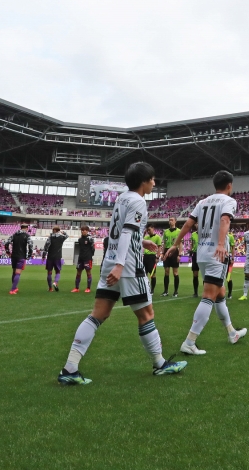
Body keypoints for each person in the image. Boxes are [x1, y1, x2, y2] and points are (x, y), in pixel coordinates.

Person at [57, 162, 187, 385]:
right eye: (153, 179)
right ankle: (159, 364)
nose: (154, 183)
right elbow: (127, 231)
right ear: (144, 181)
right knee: (146, 314)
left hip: (111, 260)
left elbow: (121, 231)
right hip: (127, 265)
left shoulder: (121, 198)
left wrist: (141, 241)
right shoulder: (138, 201)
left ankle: (69, 368)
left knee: (98, 314)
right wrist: (121, 264)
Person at [175, 170, 247, 355]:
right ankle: (190, 341)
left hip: (202, 254)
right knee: (209, 296)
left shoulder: (202, 202)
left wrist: (176, 243)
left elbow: (188, 224)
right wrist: (222, 244)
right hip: (217, 254)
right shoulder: (229, 201)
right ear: (229, 185)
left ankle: (232, 333)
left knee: (220, 293)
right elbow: (224, 219)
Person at [5, 222, 32, 294]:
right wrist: (29, 255)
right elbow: (30, 245)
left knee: (14, 272)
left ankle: (14, 287)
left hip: (14, 256)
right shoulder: (27, 235)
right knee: (18, 273)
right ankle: (13, 289)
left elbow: (7, 243)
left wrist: (8, 251)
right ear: (26, 228)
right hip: (21, 256)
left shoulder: (14, 235)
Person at [160, 217, 182, 297]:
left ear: (175, 221)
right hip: (166, 251)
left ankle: (176, 291)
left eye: (172, 220)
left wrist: (179, 255)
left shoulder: (179, 231)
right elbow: (164, 243)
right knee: (166, 272)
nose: (170, 221)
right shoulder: (165, 231)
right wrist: (162, 253)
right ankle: (166, 291)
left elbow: (180, 244)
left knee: (175, 272)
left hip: (175, 252)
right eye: (169, 220)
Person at [43, 226, 67, 292]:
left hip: (50, 257)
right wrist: (63, 232)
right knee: (58, 271)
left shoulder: (50, 237)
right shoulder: (62, 237)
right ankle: (56, 282)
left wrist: (43, 256)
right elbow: (67, 235)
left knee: (49, 272)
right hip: (58, 257)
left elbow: (46, 247)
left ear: (54, 230)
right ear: (58, 230)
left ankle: (50, 288)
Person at [72, 226, 94, 293]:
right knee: (78, 273)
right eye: (82, 230)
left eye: (85, 230)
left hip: (87, 258)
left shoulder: (90, 239)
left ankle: (88, 288)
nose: (84, 231)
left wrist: (90, 256)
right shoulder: (80, 240)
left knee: (88, 273)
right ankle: (76, 288)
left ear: (87, 231)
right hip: (80, 259)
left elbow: (93, 249)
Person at [144, 225, 159, 293]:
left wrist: (157, 257)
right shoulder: (146, 237)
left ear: (153, 229)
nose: (148, 231)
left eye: (149, 229)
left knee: (153, 274)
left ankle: (152, 290)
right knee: (144, 274)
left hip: (152, 257)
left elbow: (159, 248)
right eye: (147, 230)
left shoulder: (157, 237)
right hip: (145, 256)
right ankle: (146, 288)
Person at [189, 227, 200, 296]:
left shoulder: (205, 234)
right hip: (195, 254)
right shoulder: (193, 234)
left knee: (205, 275)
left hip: (203, 254)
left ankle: (206, 293)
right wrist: (191, 251)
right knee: (195, 274)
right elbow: (192, 244)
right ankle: (195, 292)